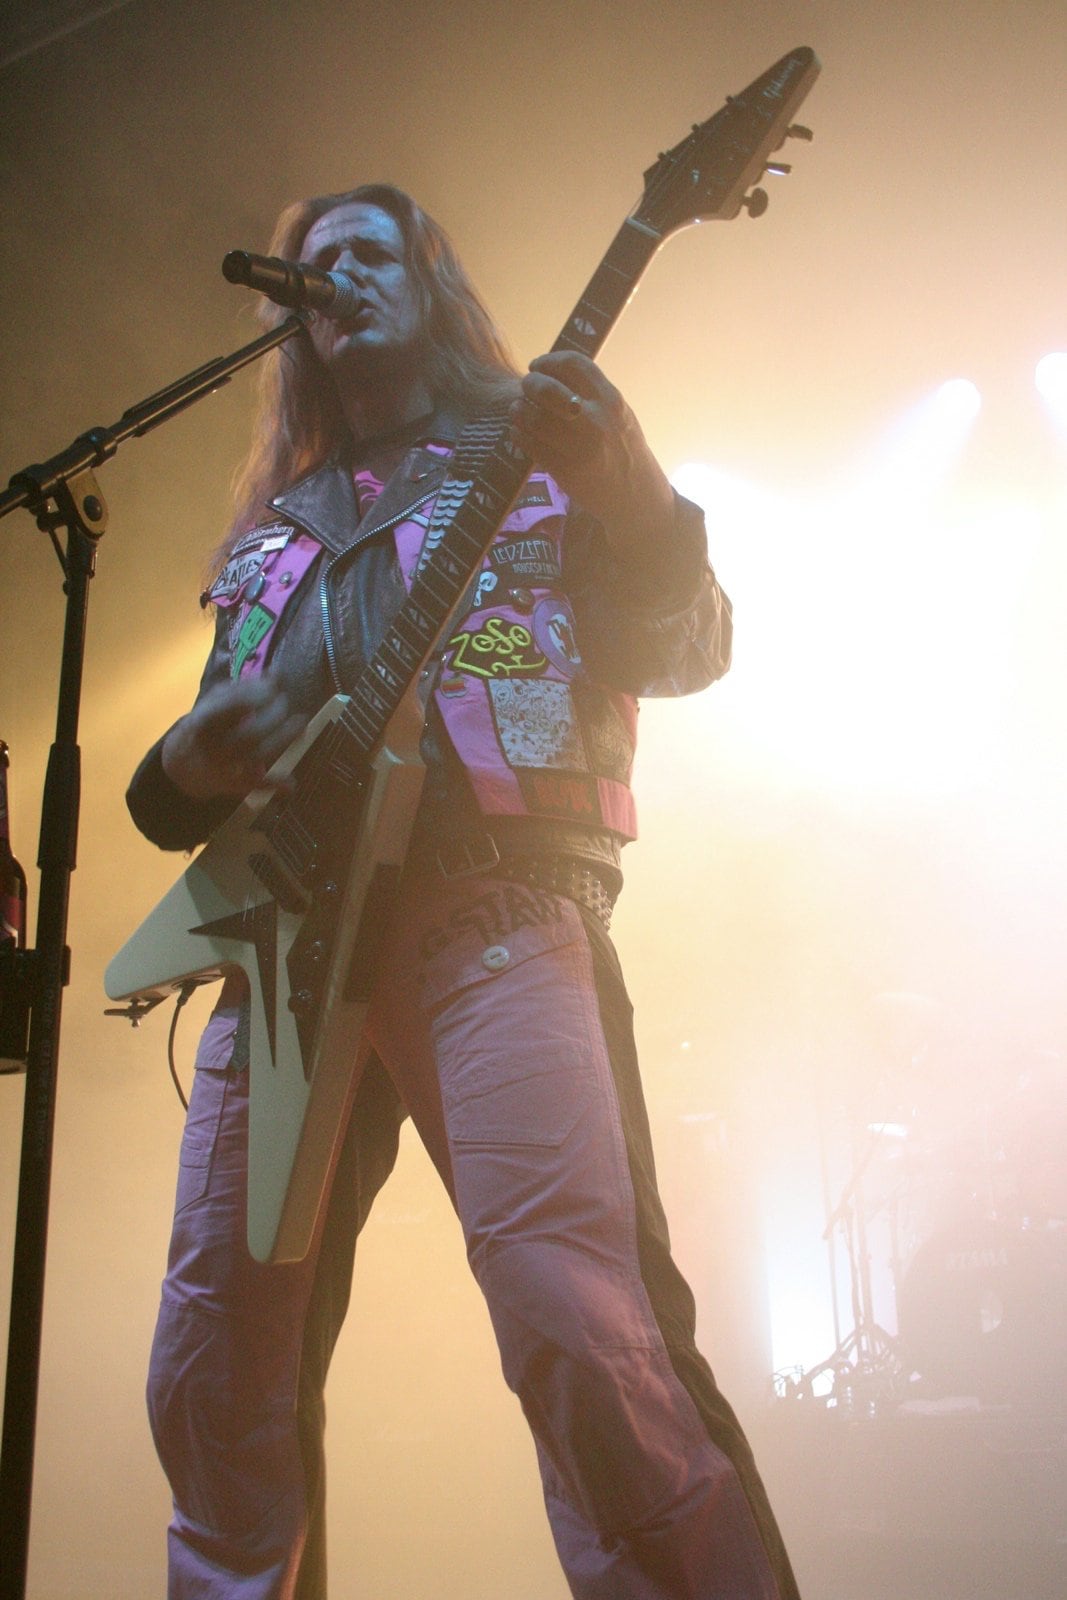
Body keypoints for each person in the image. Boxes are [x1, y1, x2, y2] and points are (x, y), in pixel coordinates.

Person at [127, 183, 800, 1600]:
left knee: (579, 1324)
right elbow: (188, 791)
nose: (340, 276)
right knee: (212, 1357)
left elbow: (691, 649)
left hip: (493, 915)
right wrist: (181, 762)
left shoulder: (540, 455)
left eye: (371, 253)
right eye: (315, 265)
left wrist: (629, 484)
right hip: (289, 949)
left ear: (432, 281)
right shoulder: (274, 532)